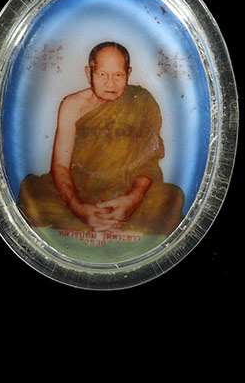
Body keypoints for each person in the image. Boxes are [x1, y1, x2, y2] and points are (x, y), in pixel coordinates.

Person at [18, 42, 184, 237]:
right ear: (89, 73)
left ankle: (97, 225)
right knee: (31, 194)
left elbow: (148, 164)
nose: (110, 83)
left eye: (118, 75)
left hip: (126, 190)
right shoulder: (72, 106)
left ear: (128, 74)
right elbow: (60, 166)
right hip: (80, 190)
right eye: (102, 74)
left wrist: (132, 200)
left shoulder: (142, 100)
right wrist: (78, 207)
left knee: (170, 199)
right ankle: (105, 224)